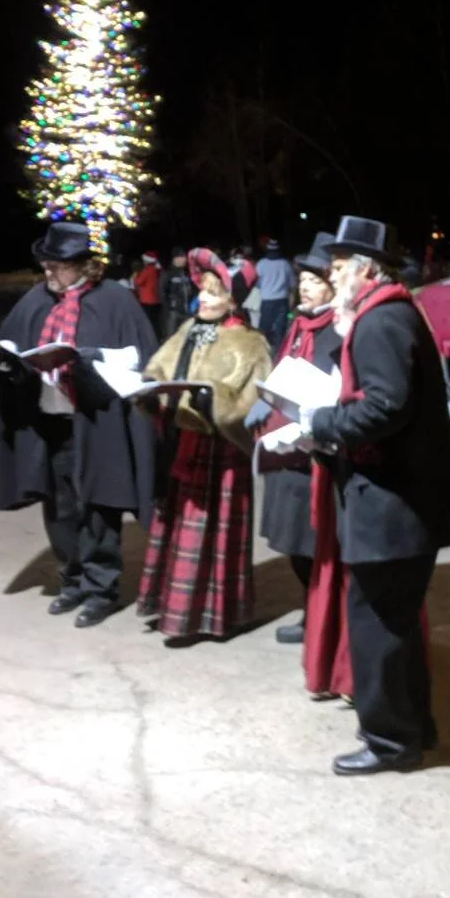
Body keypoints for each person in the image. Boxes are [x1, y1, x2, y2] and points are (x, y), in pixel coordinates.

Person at [299, 216, 450, 776]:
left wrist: (321, 422)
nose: (331, 278)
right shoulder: (389, 313)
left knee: (378, 626)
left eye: (338, 268)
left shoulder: (382, 320)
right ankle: (413, 730)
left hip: (392, 505)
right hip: (400, 502)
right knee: (395, 625)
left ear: (366, 270)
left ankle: (389, 743)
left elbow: (385, 407)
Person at [0, 222, 159, 629]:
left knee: (98, 506)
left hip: (97, 421)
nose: (48, 273)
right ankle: (73, 579)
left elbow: (141, 356)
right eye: (45, 266)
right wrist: (5, 361)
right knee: (60, 508)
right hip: (49, 421)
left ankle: (101, 589)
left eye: (57, 266)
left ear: (83, 265)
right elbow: (15, 349)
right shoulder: (36, 299)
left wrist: (91, 357)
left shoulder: (115, 300)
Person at [135, 250, 272, 643]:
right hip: (183, 443)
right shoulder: (188, 329)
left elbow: (252, 404)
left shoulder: (251, 343)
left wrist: (214, 401)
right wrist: (149, 390)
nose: (204, 300)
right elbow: (159, 367)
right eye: (203, 292)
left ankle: (215, 615)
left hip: (221, 451)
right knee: (178, 527)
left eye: (214, 294)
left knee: (213, 534)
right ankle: (174, 606)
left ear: (233, 300)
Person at [246, 232, 345, 680]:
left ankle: (327, 620)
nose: (305, 287)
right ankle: (312, 611)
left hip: (316, 450)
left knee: (318, 543)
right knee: (294, 542)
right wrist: (265, 400)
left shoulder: (338, 327)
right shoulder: (299, 324)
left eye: (314, 280)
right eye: (302, 280)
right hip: (284, 449)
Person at [245, 239, 296, 351]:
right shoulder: (285, 264)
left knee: (264, 329)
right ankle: (279, 354)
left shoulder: (261, 264)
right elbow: (292, 285)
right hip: (282, 301)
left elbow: (256, 283)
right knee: (280, 330)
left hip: (266, 300)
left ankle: (262, 351)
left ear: (267, 250)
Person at [160, 249, 194, 341]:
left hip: (187, 312)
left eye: (184, 257)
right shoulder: (168, 273)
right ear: (175, 259)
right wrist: (168, 309)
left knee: (186, 338)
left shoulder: (187, 273)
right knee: (171, 338)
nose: (184, 259)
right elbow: (162, 293)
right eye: (181, 257)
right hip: (173, 312)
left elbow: (192, 290)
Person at [133, 252, 162, 329]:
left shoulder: (147, 270)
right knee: (155, 321)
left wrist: (135, 276)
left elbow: (138, 282)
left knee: (147, 321)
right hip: (155, 299)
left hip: (146, 300)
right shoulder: (157, 269)